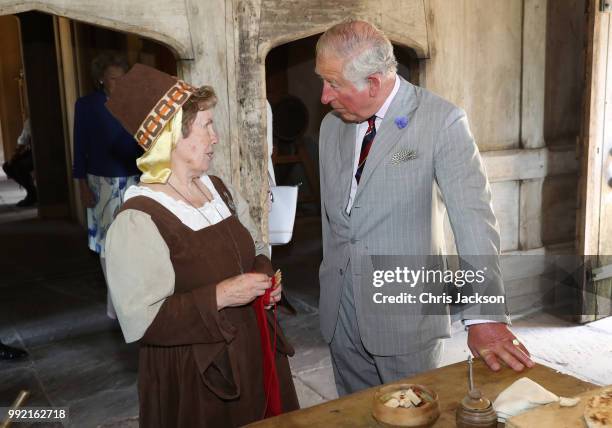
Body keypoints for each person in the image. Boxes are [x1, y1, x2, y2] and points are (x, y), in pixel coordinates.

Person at [315, 20, 535, 395]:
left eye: (333, 84)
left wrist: (484, 315)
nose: (323, 96)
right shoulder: (331, 126)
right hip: (340, 309)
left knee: (415, 413)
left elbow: (474, 218)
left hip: (406, 313)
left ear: (373, 83)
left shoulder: (441, 121)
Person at [104, 64, 298, 427]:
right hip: (196, 375)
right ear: (171, 137)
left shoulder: (217, 188)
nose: (216, 137)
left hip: (253, 351)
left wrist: (264, 278)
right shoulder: (139, 218)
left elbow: (255, 244)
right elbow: (143, 322)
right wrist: (221, 295)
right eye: (206, 126)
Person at [72, 52, 142, 319]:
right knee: (108, 244)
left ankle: (132, 299)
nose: (118, 83)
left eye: (123, 78)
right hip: (101, 183)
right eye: (113, 79)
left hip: (135, 179)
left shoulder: (134, 102)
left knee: (134, 240)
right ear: (101, 80)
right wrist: (80, 185)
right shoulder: (87, 105)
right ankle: (115, 304)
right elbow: (79, 147)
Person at [2, 118, 37, 207]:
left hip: (38, 154)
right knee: (7, 166)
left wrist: (13, 158)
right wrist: (14, 157)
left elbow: (22, 143)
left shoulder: (31, 121)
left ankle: (32, 194)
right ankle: (32, 191)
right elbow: (23, 141)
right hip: (32, 152)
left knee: (19, 167)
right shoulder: (29, 121)